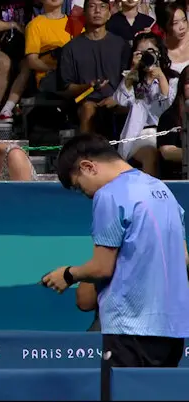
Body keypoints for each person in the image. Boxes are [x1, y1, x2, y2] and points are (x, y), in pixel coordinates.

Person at [41, 133, 189, 400]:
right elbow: (184, 258)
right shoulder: (163, 190)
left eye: (78, 185)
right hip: (172, 331)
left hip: (129, 330)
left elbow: (101, 267)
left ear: (88, 166)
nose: (85, 193)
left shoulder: (108, 195)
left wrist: (67, 274)